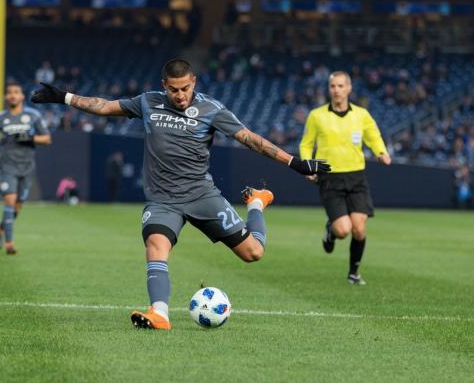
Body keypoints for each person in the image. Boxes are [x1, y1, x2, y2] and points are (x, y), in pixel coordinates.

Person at [32, 59, 329, 330]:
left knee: (254, 253)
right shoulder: (148, 102)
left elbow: (251, 140)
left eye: (185, 88)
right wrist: (63, 97)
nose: (180, 95)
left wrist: (295, 163)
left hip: (202, 195)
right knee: (156, 245)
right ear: (164, 86)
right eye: (174, 89)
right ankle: (159, 313)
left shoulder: (212, 109)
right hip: (162, 200)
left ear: (194, 83)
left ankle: (255, 204)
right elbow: (105, 106)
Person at [299, 71, 391, 286]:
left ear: (349, 88)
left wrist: (381, 151)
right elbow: (306, 144)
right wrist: (307, 165)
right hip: (329, 178)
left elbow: (373, 135)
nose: (337, 90)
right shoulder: (317, 116)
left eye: (341, 86)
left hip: (356, 176)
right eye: (333, 86)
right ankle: (331, 230)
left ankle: (354, 273)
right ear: (329, 89)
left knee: (359, 228)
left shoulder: (361, 114)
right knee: (343, 230)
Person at [0, 82, 52, 255]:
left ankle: (0, 227)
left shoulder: (33, 116)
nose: (13, 95)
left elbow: (47, 139)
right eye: (9, 92)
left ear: (22, 96)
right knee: (10, 199)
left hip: (27, 167)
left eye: (16, 92)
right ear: (6, 97)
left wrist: (30, 138)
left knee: (18, 206)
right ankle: (10, 244)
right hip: (7, 166)